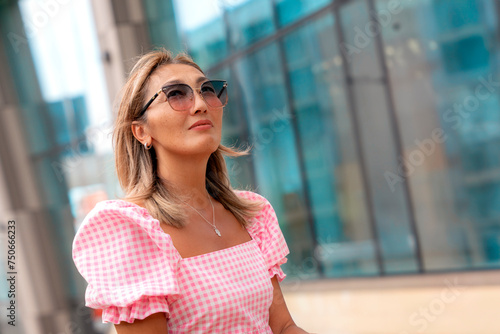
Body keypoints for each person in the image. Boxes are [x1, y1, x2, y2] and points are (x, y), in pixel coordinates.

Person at [72, 49, 310, 334]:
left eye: (207, 90)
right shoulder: (129, 229)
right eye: (176, 94)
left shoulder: (251, 214)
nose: (200, 104)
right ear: (141, 132)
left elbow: (283, 327)